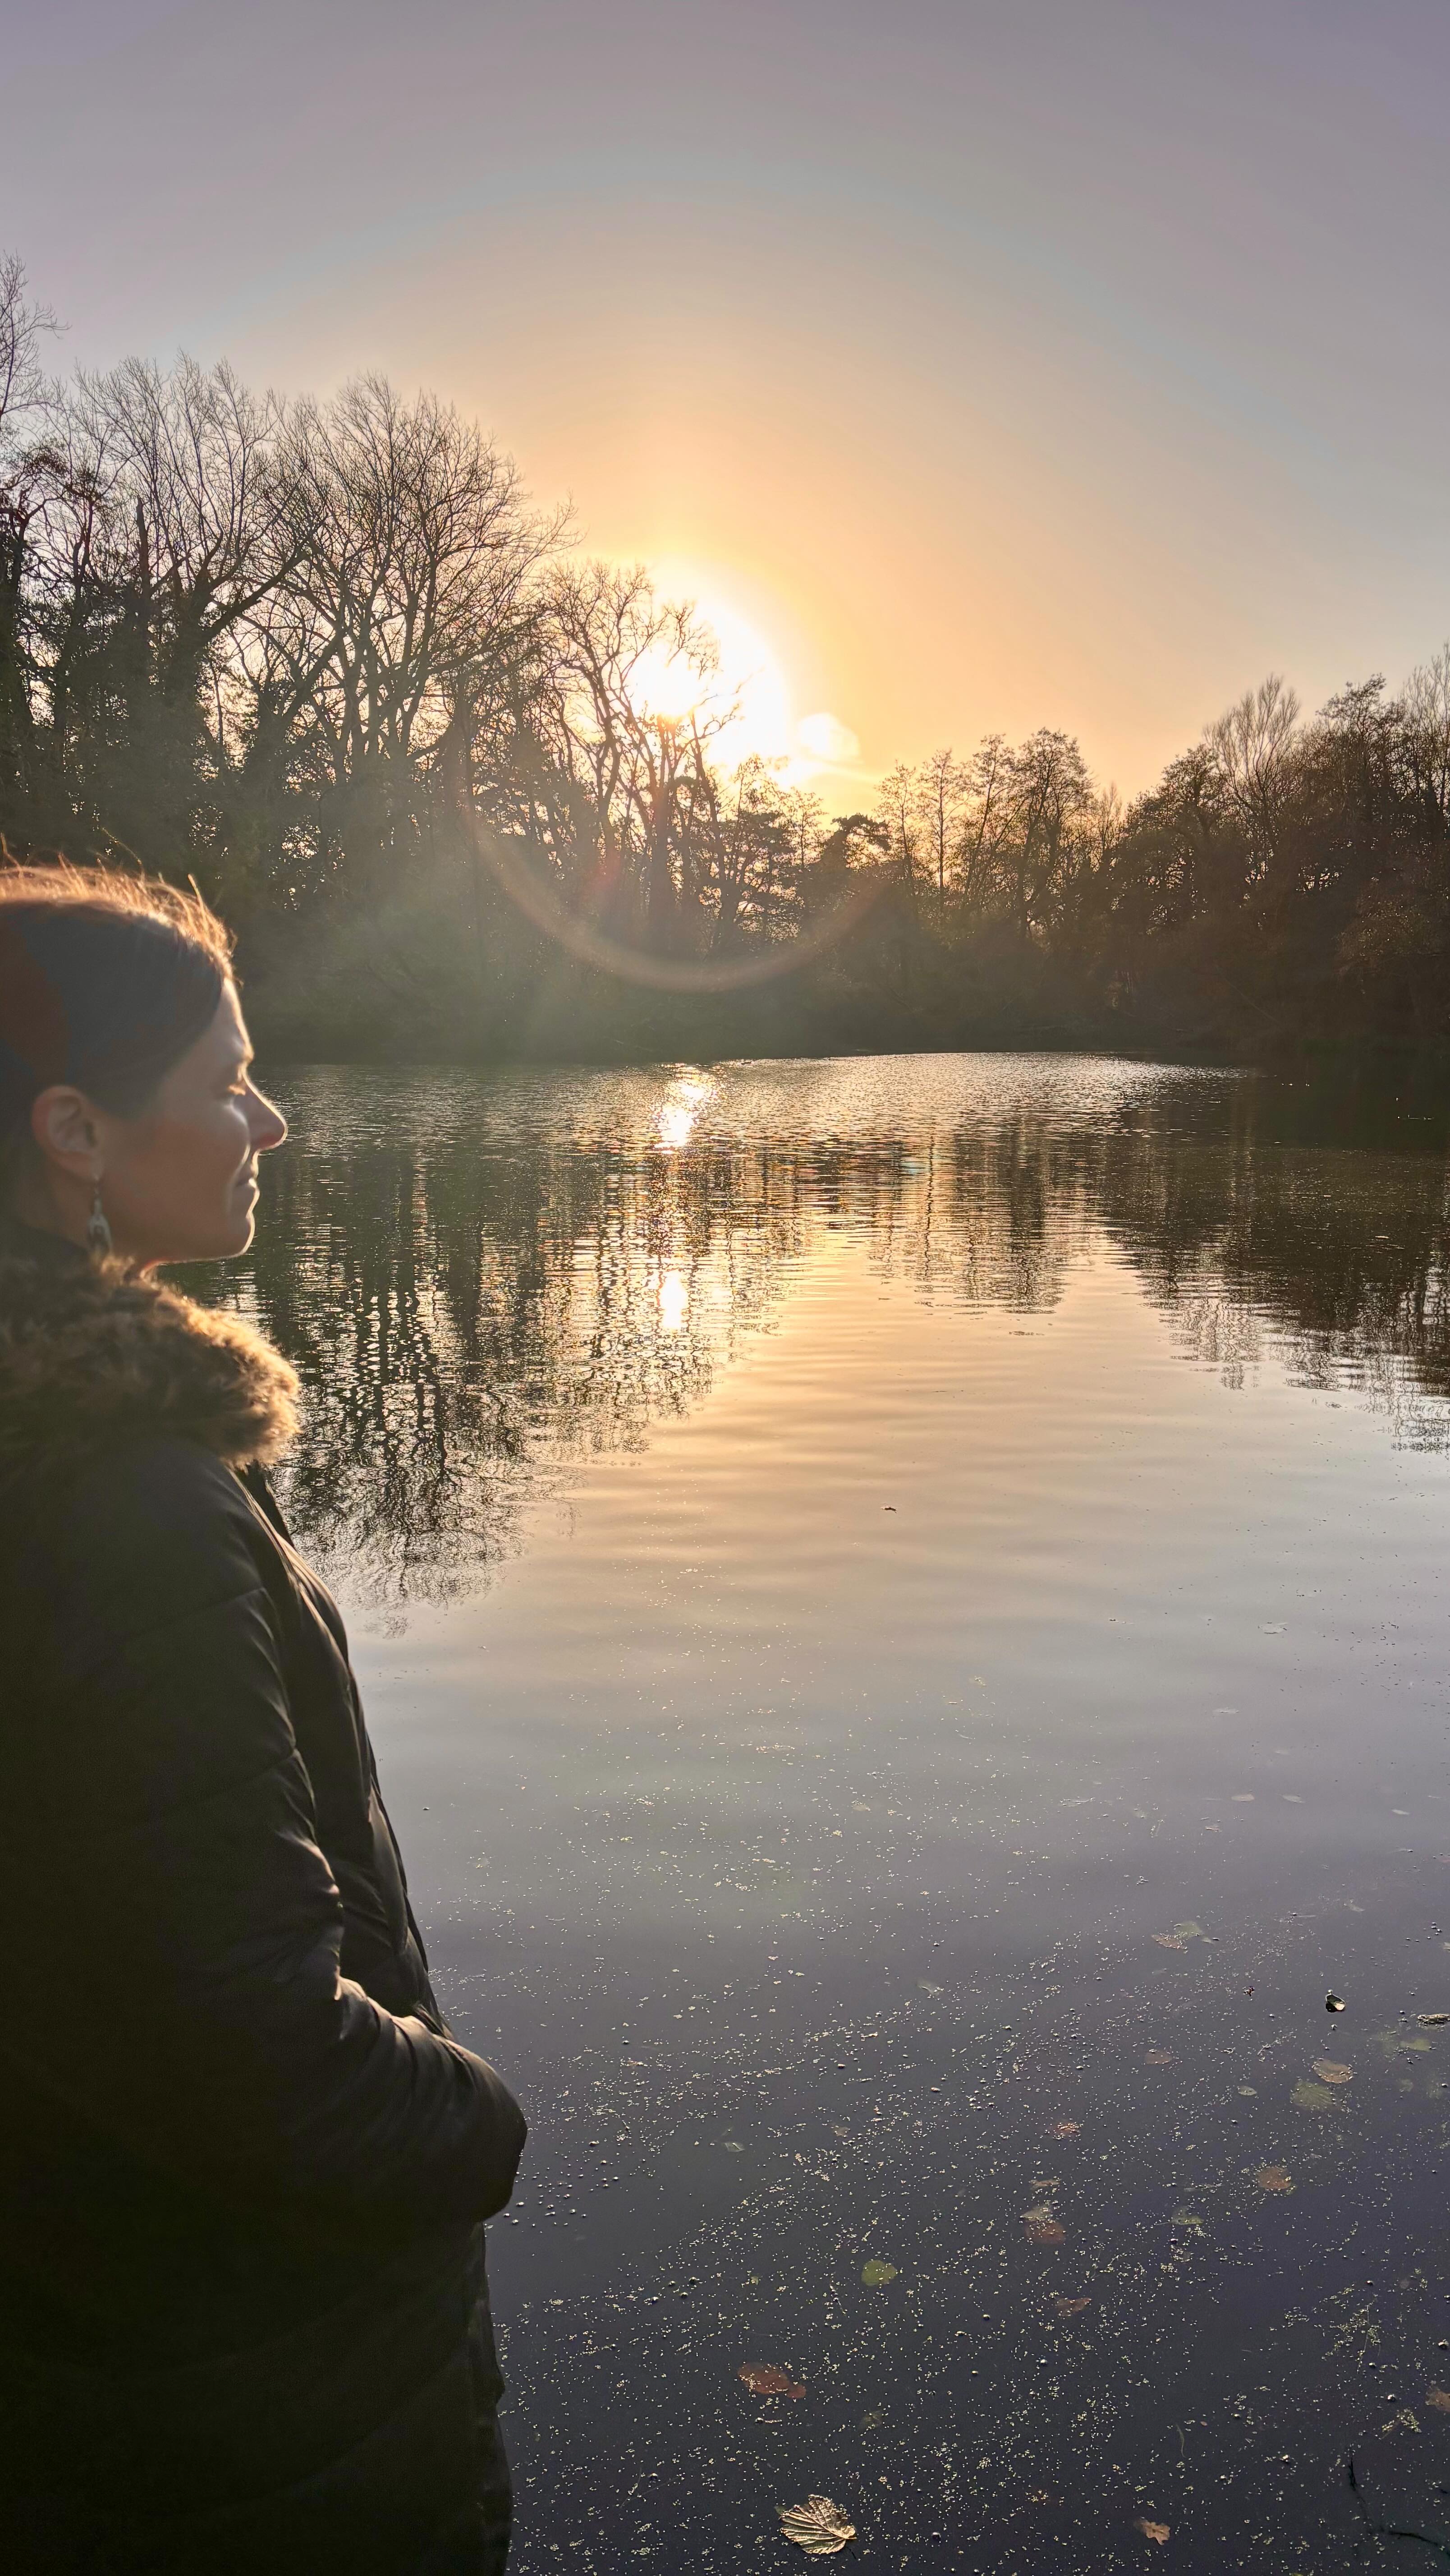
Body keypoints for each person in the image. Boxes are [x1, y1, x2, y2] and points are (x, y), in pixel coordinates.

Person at [0, 863, 527, 2574]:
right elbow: (259, 2044)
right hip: (254, 2405)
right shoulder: (124, 1504)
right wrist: (476, 2129)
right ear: (73, 1131)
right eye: (225, 1078)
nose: (269, 1118)